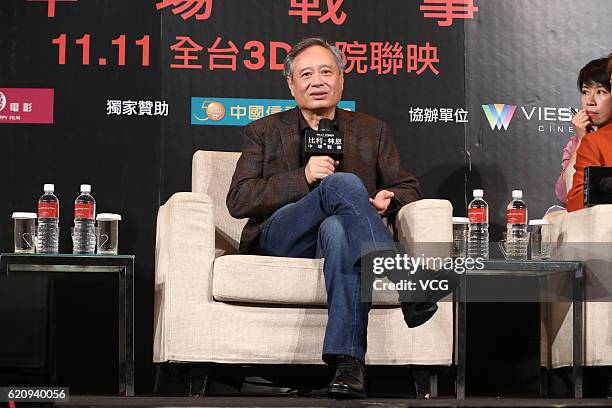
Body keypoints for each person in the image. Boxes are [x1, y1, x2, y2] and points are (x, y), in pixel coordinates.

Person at [227, 37, 448, 399]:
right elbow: (238, 199)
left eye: (326, 72)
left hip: (340, 240)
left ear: (341, 80)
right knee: (343, 183)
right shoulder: (264, 131)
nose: (317, 81)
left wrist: (385, 200)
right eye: (307, 74)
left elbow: (408, 186)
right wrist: (304, 177)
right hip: (283, 237)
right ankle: (402, 277)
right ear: (291, 84)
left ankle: (349, 364)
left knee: (338, 228)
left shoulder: (370, 130)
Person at [556, 57, 612, 205]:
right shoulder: (576, 142)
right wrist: (582, 140)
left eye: (601, 91)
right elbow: (566, 196)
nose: (590, 101)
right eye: (585, 91)